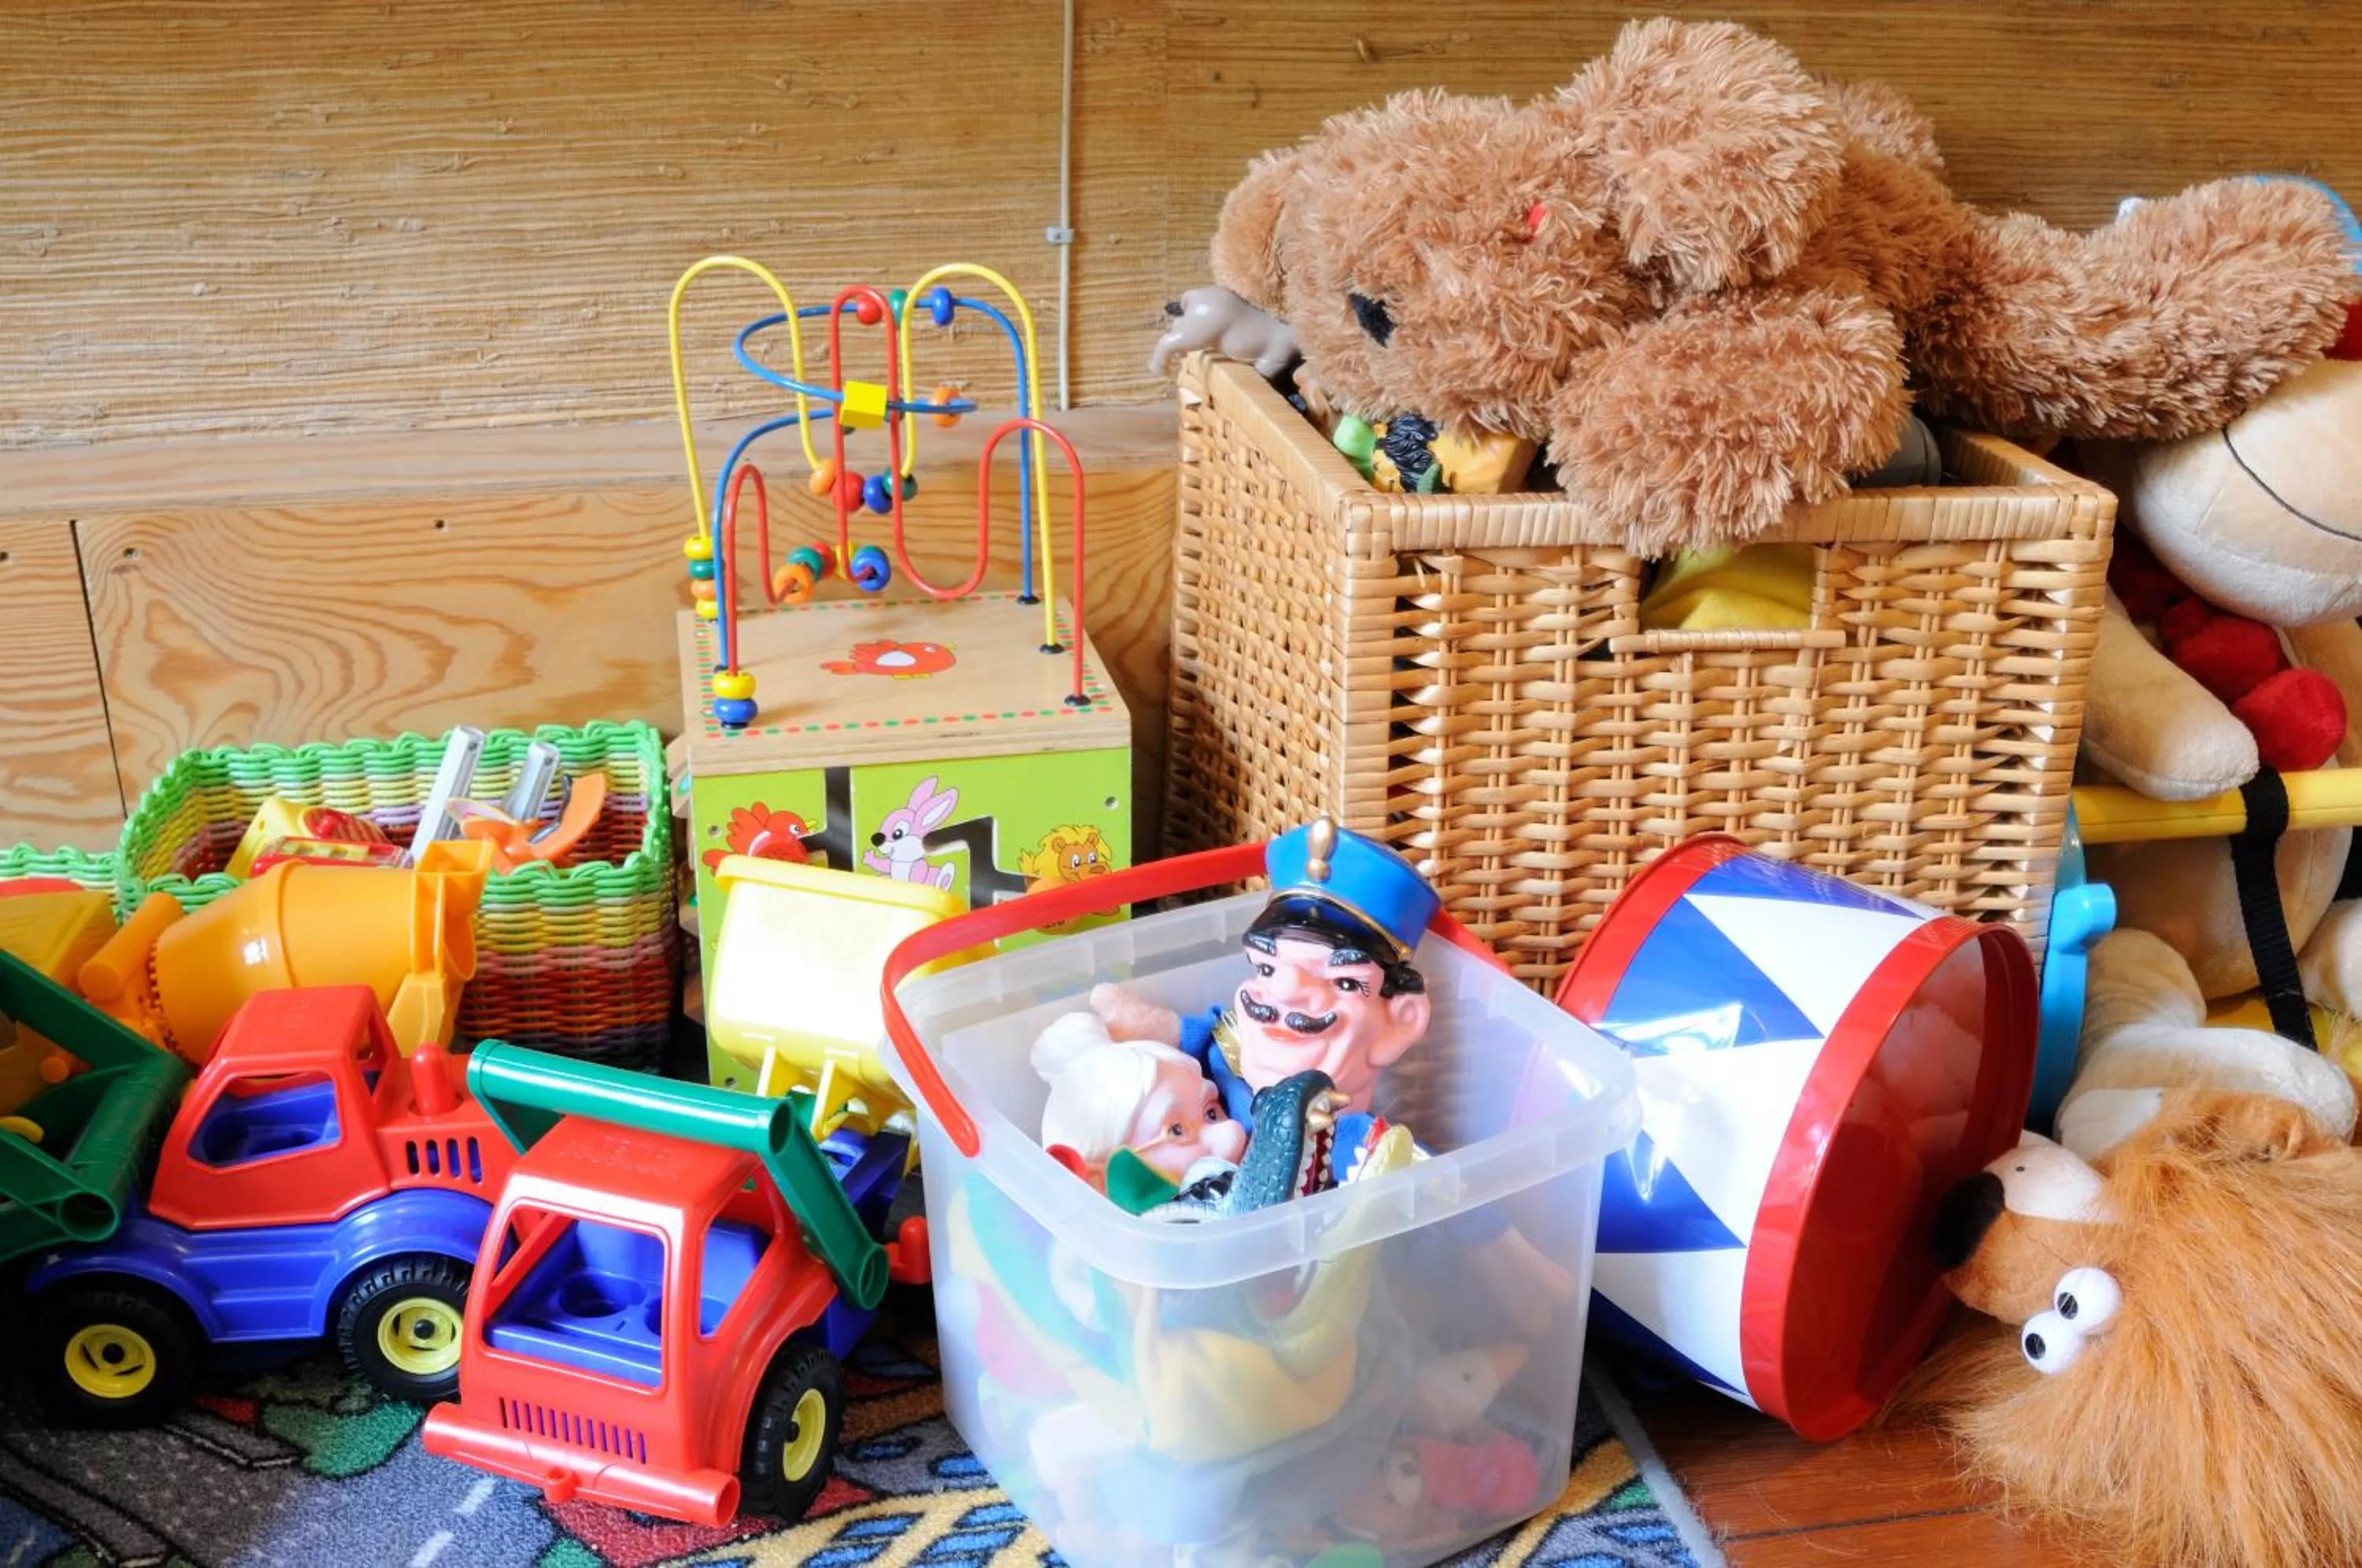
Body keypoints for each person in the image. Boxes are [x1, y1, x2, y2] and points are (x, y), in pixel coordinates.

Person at [1090, 817, 1440, 1130]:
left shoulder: (1354, 1146)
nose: (1285, 990)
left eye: (1344, 982)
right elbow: (1200, 1036)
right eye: (1267, 968)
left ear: (1401, 1022)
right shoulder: (1230, 1052)